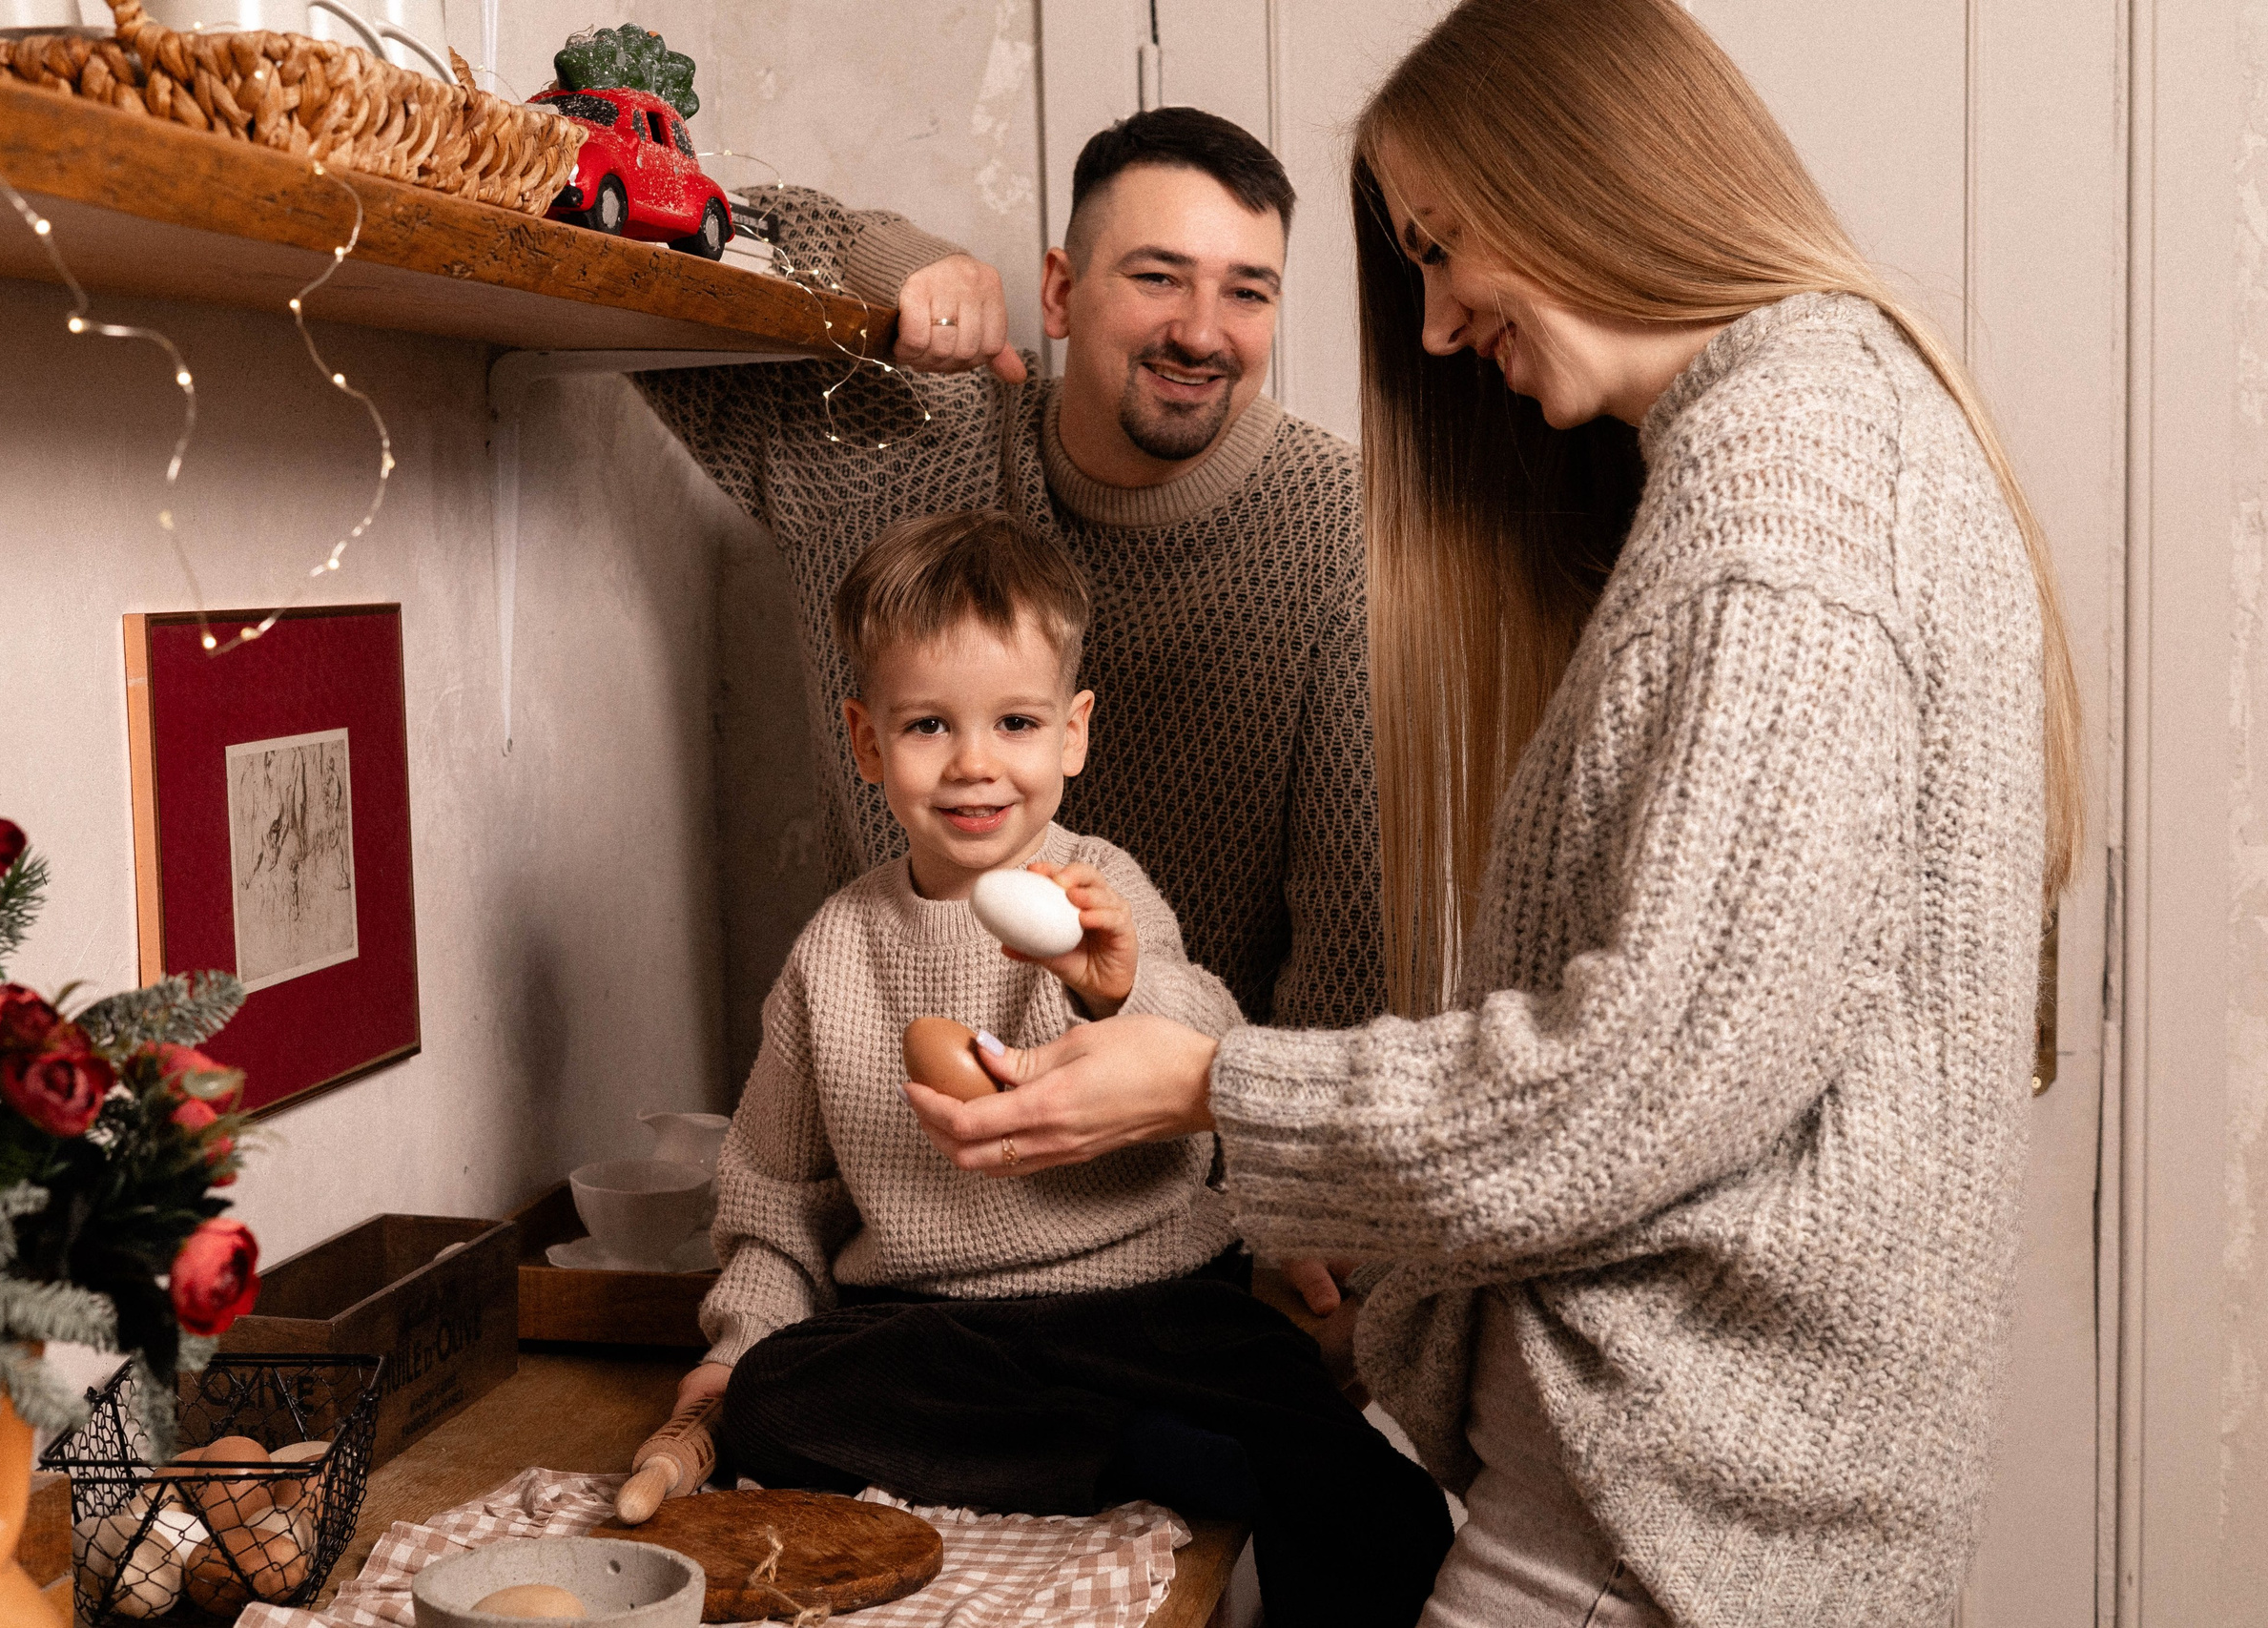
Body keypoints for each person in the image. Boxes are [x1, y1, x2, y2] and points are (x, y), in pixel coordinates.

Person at [902, 2, 2085, 1624]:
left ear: (1589, 170)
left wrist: (1211, 1088)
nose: (1442, 322)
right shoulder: (1799, 444)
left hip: (1672, 1522)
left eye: (1448, 247)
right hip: (1661, 1493)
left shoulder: (1788, 505)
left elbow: (1640, 1086)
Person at [678, 509, 1452, 1628]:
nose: (975, 763)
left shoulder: (1104, 893)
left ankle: (1156, 1450)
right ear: (864, 741)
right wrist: (738, 1343)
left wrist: (1117, 986)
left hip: (1152, 1309)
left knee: (1375, 1499)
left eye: (1017, 722)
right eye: (929, 725)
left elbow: (1213, 1050)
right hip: (941, 1332)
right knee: (776, 1398)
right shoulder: (835, 953)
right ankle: (1123, 1456)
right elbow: (773, 1197)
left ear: (1074, 733)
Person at [635, 108, 1386, 1030]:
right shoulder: (901, 441)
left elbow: (1353, 954)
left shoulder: (1349, 527)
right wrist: (897, 270)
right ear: (1060, 294)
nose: (1200, 333)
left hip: (1177, 1139)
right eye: (1159, 277)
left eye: (1248, 292)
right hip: (892, 1112)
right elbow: (664, 228)